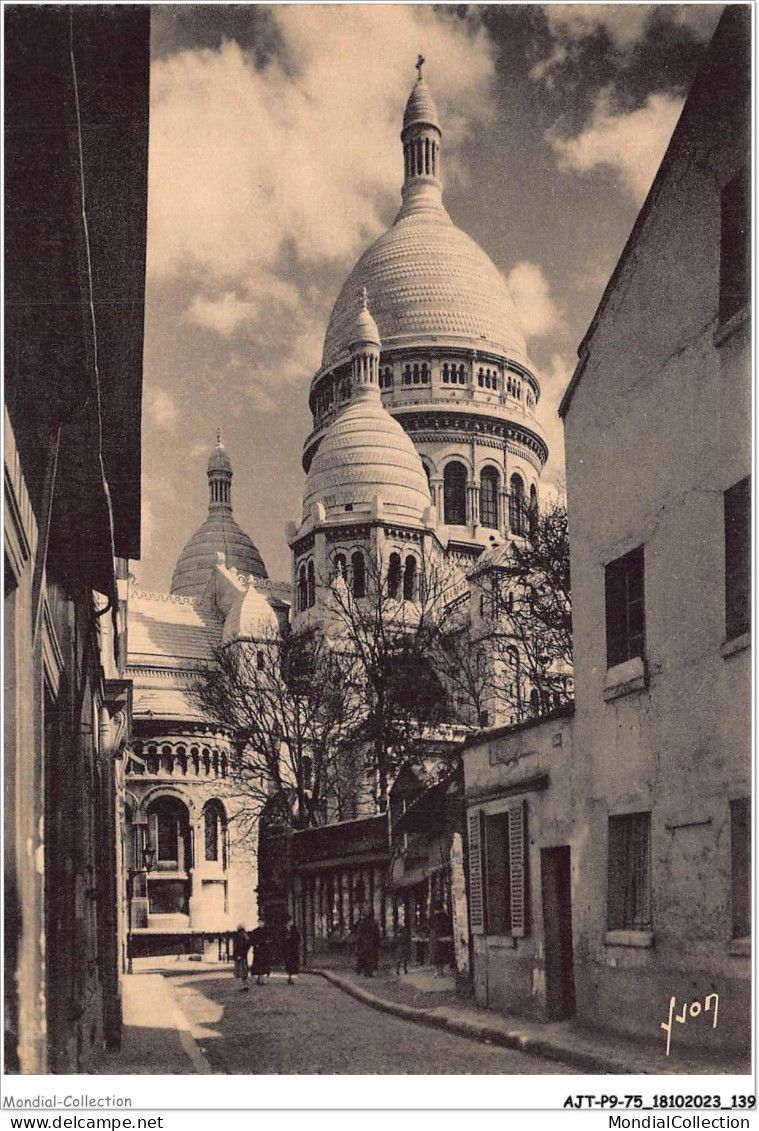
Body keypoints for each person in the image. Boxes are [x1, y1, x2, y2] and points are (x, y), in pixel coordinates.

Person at [355, 910, 380, 977]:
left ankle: (361, 970)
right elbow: (377, 935)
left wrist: (358, 944)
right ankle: (368, 971)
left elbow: (359, 935)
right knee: (370, 958)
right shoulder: (374, 923)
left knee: (363, 957)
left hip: (364, 943)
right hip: (371, 944)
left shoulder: (362, 923)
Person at [429, 902, 450, 977]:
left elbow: (431, 926)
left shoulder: (434, 917)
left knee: (436, 956)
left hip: (436, 938)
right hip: (443, 938)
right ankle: (440, 972)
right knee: (441, 955)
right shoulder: (445, 916)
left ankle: (437, 972)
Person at [232, 924, 251, 992]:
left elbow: (237, 946)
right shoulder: (246, 936)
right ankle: (245, 985)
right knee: (244, 971)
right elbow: (248, 946)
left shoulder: (238, 936)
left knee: (240, 971)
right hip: (244, 956)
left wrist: (237, 955)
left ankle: (243, 986)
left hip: (239, 956)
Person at [284, 921, 301, 985]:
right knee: (288, 963)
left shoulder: (294, 931)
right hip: (287, 950)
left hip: (293, 950)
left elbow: (297, 939)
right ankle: (289, 977)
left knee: (292, 964)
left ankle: (290, 977)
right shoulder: (285, 931)